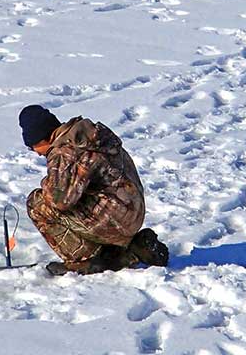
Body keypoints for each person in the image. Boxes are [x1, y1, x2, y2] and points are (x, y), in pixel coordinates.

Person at [19, 105, 169, 276]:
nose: (36, 153)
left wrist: (47, 183)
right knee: (81, 197)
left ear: (41, 139)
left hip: (114, 219)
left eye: (32, 147)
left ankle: (86, 260)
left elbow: (59, 200)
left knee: (37, 203)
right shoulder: (91, 135)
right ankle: (126, 249)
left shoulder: (66, 151)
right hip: (134, 212)